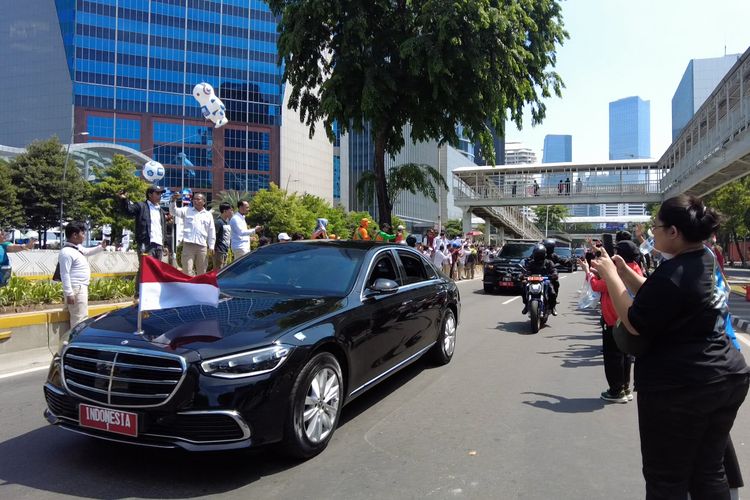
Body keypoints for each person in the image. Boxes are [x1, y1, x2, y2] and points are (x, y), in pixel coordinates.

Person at [591, 194, 749, 499]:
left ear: (674, 232)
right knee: (709, 469)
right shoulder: (701, 259)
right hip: (726, 376)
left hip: (682, 388)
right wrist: (625, 273)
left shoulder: (675, 272)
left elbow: (636, 320)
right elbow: (660, 298)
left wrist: (610, 276)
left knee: (666, 477)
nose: (653, 232)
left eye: (657, 227)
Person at [580, 240, 643, 403]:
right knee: (626, 355)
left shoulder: (616, 272)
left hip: (612, 320)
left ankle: (616, 391)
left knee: (613, 357)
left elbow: (596, 286)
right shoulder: (634, 269)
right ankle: (625, 387)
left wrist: (588, 271)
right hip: (628, 318)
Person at [58, 222, 106, 329]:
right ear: (75, 235)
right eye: (82, 234)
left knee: (79, 317)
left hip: (79, 288)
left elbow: (87, 251)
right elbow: (64, 273)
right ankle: (77, 342)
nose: (84, 236)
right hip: (77, 288)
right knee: (80, 320)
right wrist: (69, 293)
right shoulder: (66, 252)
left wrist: (101, 247)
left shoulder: (77, 248)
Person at [120, 185, 166, 291]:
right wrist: (124, 200)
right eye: (157, 193)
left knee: (156, 270)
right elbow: (128, 210)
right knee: (144, 269)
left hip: (159, 244)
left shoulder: (161, 211)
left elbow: (162, 228)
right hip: (146, 244)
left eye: (161, 194)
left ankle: (153, 294)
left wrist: (165, 244)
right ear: (150, 194)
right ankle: (138, 295)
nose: (160, 196)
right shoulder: (141, 206)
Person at [170, 192, 215, 276]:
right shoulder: (186, 210)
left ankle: (200, 289)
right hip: (188, 246)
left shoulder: (208, 215)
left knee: (202, 271)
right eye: (194, 199)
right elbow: (173, 211)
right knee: (187, 271)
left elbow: (211, 231)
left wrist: (211, 246)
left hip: (202, 247)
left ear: (204, 202)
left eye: (198, 199)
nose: (195, 201)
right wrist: (173, 201)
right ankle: (187, 288)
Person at [520, 243, 557, 315]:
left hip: (545, 281)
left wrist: (554, 274)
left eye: (540, 254)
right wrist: (522, 275)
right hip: (533, 281)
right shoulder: (531, 263)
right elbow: (527, 271)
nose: (538, 256)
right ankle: (526, 305)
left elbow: (554, 269)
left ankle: (552, 307)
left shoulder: (549, 262)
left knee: (552, 292)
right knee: (523, 287)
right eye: (537, 254)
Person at [541, 238, 565, 315]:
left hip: (551, 276)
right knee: (525, 285)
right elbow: (530, 260)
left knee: (556, 284)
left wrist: (568, 261)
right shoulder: (539, 253)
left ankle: (553, 305)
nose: (552, 249)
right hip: (538, 275)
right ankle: (526, 304)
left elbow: (561, 260)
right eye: (551, 248)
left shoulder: (554, 256)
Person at [213, 202, 233, 270]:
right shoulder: (218, 222)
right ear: (225, 211)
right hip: (219, 251)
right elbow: (214, 236)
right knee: (218, 271)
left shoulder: (226, 222)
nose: (231, 212)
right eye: (230, 210)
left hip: (225, 251)